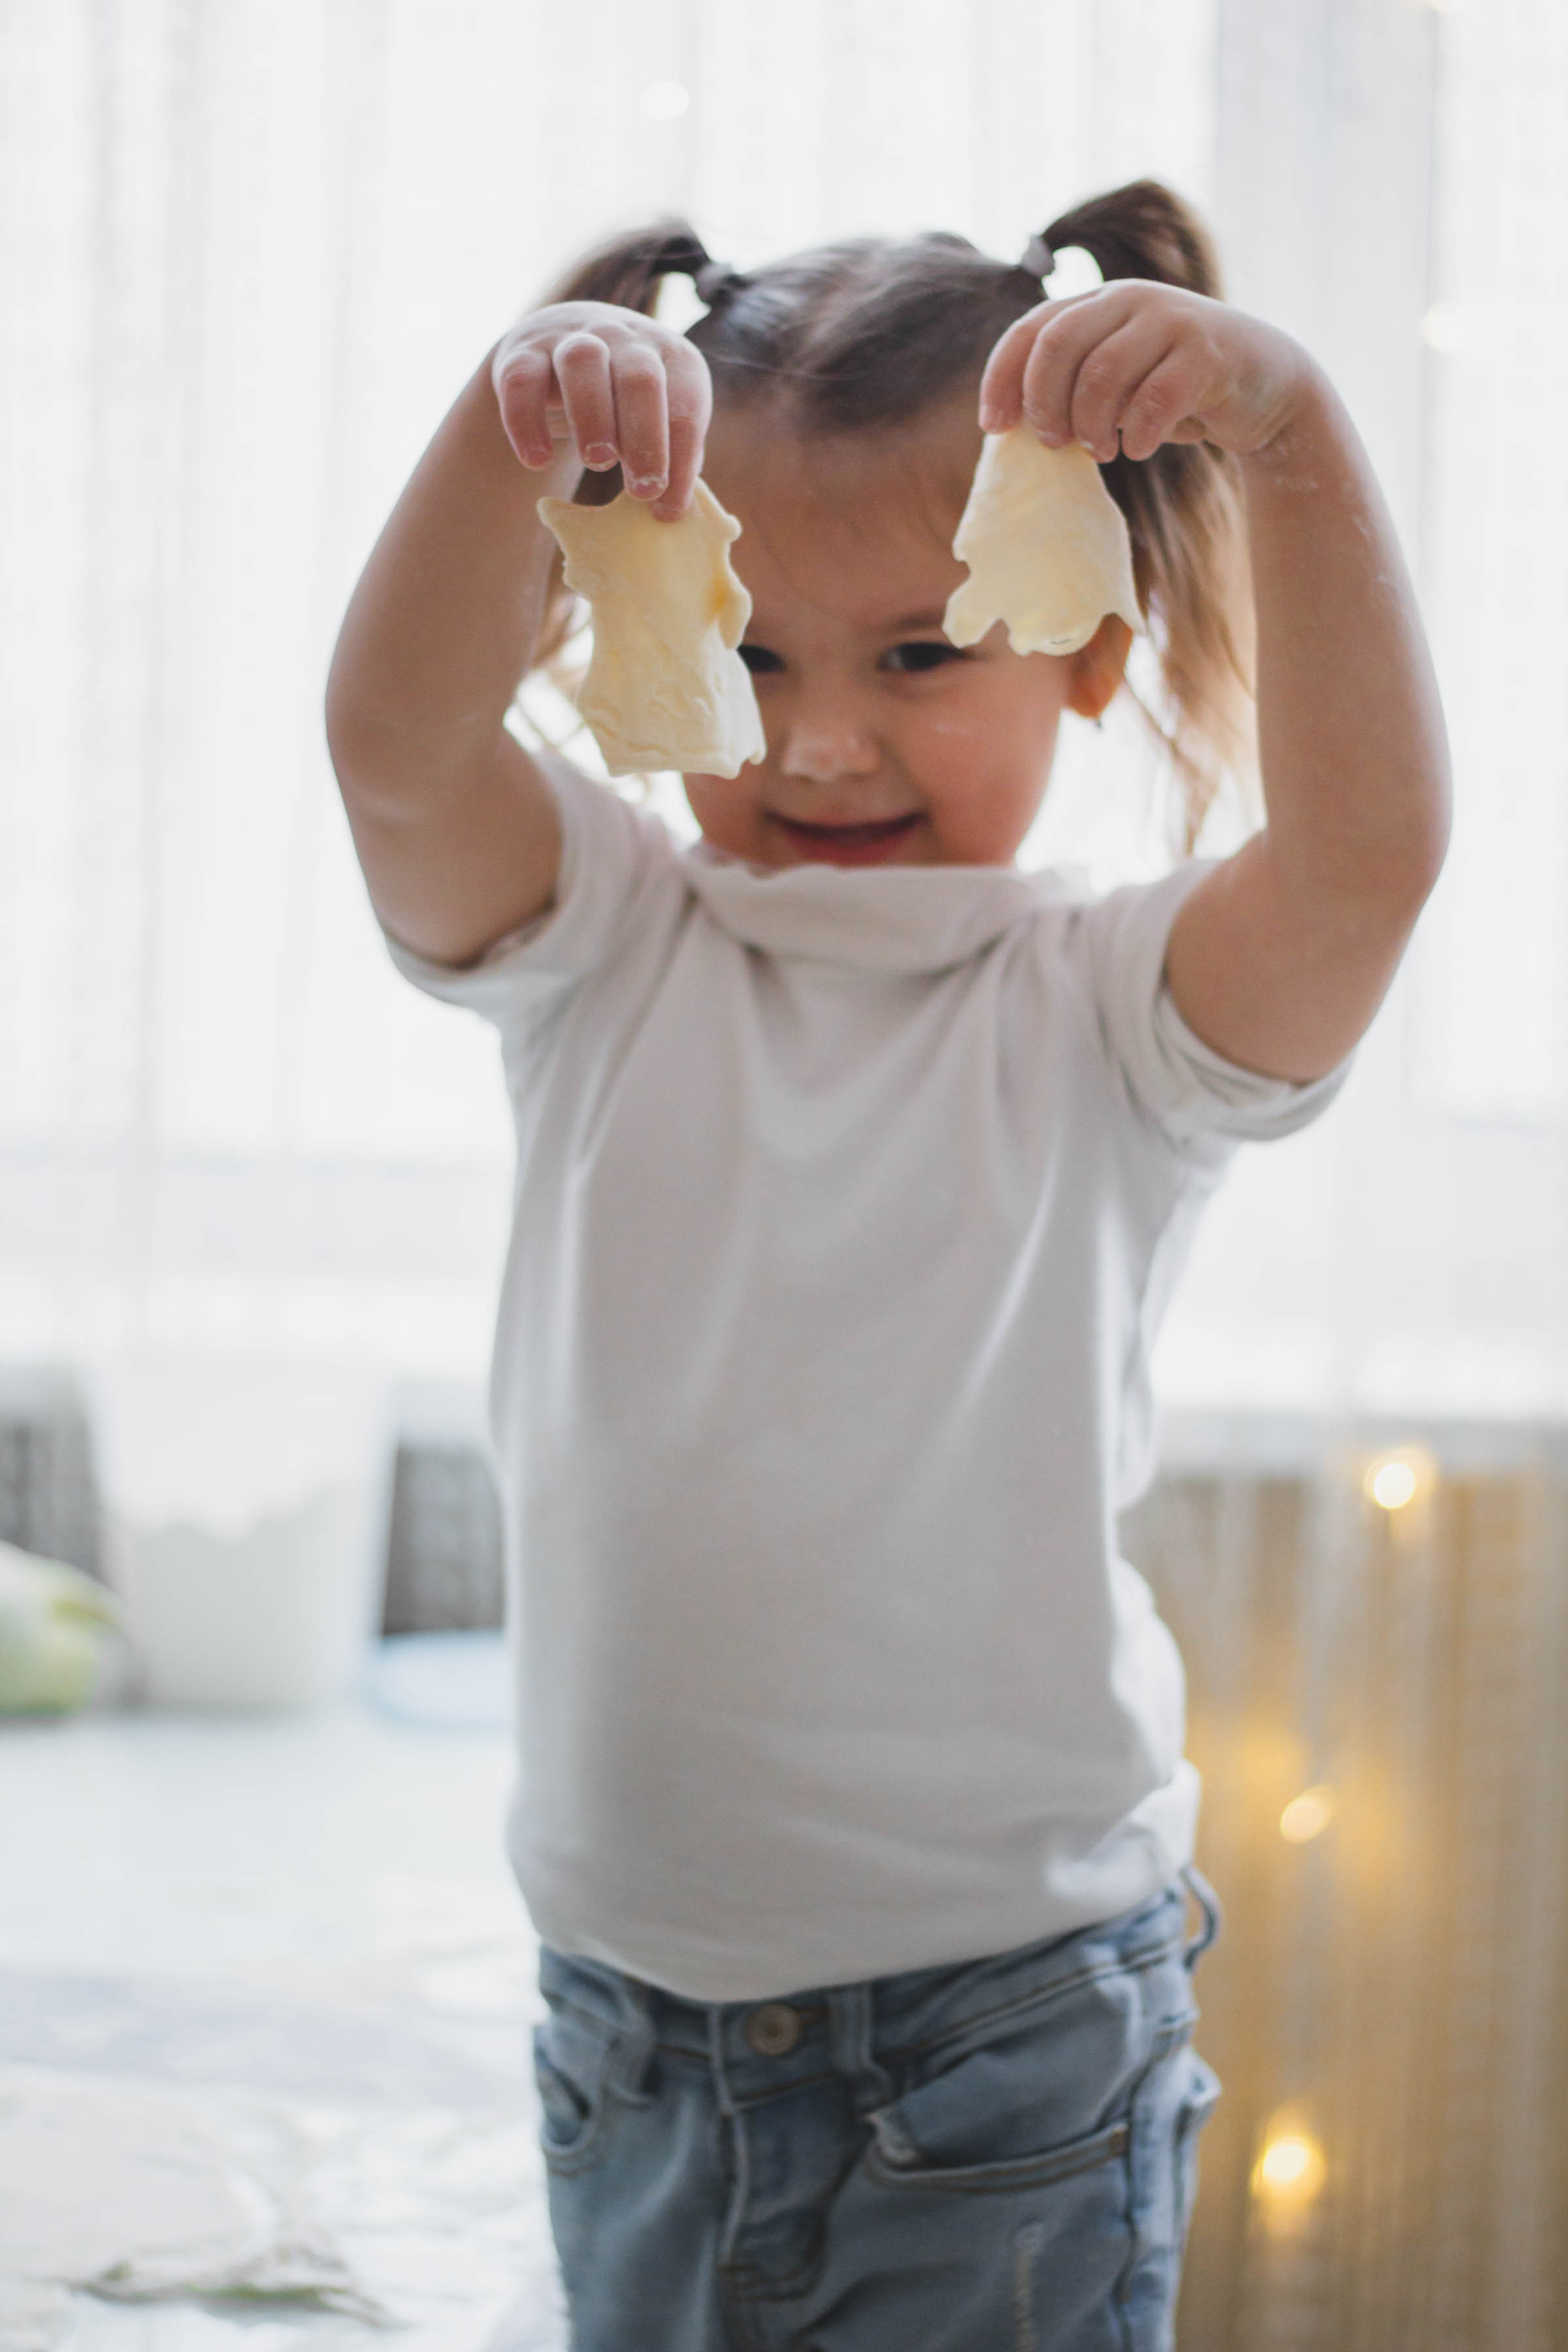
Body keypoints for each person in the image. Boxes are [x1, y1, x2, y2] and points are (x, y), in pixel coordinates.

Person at [325, 180, 1448, 2351]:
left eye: (919, 655)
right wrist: (505, 434)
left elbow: (1368, 854)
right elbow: (398, 745)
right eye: (744, 653)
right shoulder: (604, 941)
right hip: (627, 2018)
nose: (817, 738)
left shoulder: (1118, 1014)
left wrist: (1287, 432)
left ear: (1094, 642)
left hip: (1006, 2028)